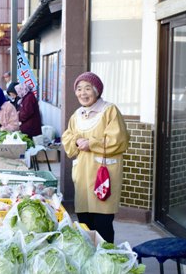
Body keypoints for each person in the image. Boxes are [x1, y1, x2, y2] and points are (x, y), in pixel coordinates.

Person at [61, 71, 130, 243]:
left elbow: (119, 139)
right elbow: (67, 137)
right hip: (83, 175)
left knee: (103, 224)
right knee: (84, 222)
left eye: (87, 88)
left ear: (97, 91)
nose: (82, 93)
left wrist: (91, 143)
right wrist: (77, 140)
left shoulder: (109, 110)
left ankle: (106, 260)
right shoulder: (77, 115)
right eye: (78, 89)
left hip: (103, 176)